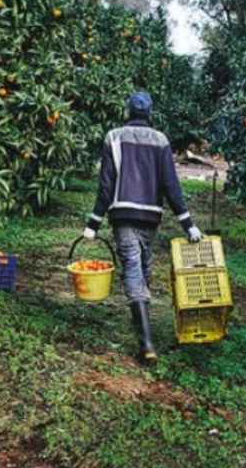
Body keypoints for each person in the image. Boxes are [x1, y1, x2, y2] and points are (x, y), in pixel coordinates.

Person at [82, 92, 202, 362]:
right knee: (142, 267)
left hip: (123, 215)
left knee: (135, 271)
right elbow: (171, 186)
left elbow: (106, 185)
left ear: (128, 111)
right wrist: (188, 224)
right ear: (149, 113)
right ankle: (143, 329)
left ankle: (146, 343)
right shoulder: (160, 141)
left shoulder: (113, 137)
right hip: (151, 217)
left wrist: (93, 223)